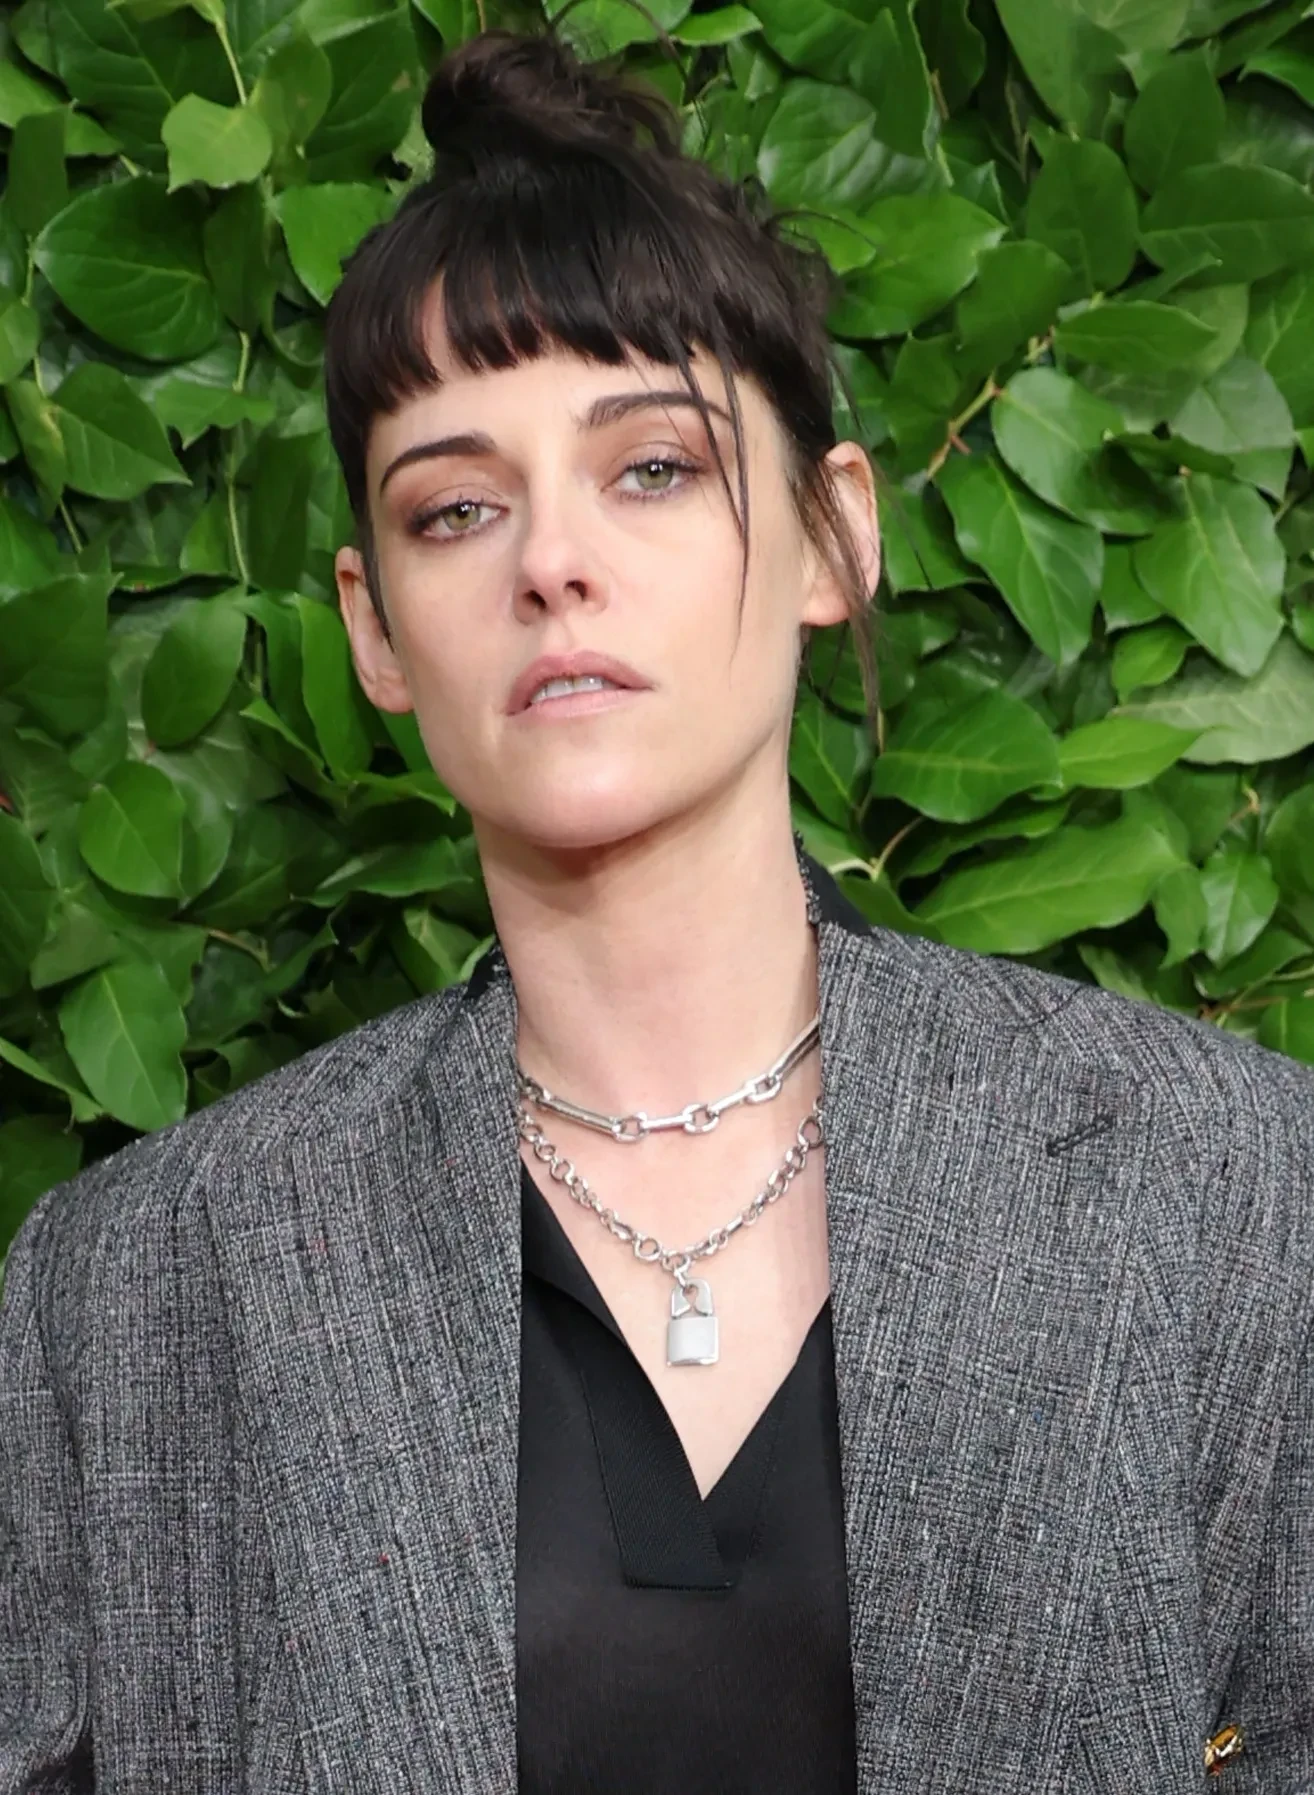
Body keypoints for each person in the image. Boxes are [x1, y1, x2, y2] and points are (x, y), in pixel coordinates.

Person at [2, 25, 1311, 1795]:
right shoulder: (133, 1293)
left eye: (651, 468)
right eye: (456, 507)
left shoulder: (1234, 1192)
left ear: (833, 537)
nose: (551, 560)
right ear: (374, 626)